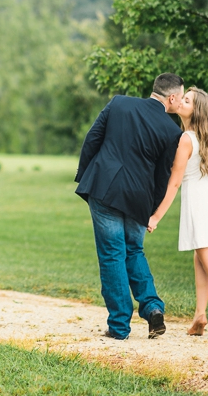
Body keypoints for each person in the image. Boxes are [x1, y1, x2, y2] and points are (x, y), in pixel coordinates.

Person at [74, 73, 185, 340]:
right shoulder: (173, 131)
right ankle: (153, 307)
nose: (180, 102)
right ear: (171, 98)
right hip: (140, 198)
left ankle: (119, 327)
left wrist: (87, 176)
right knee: (134, 251)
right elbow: (162, 176)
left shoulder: (119, 103)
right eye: (181, 98)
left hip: (105, 187)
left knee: (112, 254)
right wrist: (152, 207)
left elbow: (92, 139)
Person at [147, 87, 208, 339]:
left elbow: (174, 182)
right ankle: (199, 316)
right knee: (201, 256)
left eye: (187, 100)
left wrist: (155, 216)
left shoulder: (186, 138)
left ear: (195, 110)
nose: (182, 101)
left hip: (200, 200)